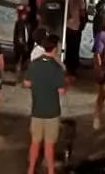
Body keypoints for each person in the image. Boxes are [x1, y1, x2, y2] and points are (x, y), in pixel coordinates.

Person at [24, 33, 68, 174]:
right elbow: (61, 91)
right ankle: (50, 171)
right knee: (49, 145)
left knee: (35, 142)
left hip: (37, 110)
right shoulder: (57, 68)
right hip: (52, 112)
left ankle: (30, 170)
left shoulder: (34, 64)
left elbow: (26, 83)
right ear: (55, 49)